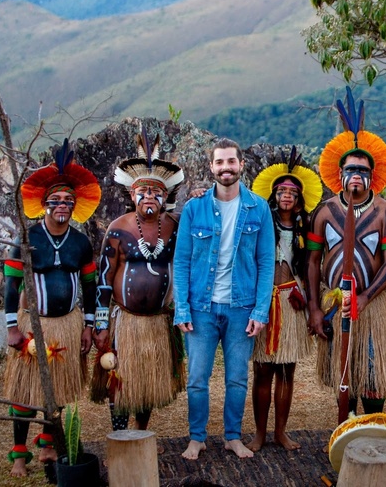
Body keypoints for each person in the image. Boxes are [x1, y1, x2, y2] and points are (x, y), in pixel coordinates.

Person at [2, 139, 100, 477]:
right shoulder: (27, 239)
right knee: (25, 394)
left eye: (68, 200)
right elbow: (11, 284)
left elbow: (89, 287)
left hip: (68, 325)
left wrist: (88, 326)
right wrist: (12, 326)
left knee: (58, 390)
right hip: (34, 326)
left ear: (75, 206)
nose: (63, 205)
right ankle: (18, 456)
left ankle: (46, 445)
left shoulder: (80, 242)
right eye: (56, 200)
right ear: (43, 204)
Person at [173, 137, 275, 460]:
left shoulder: (258, 208)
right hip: (201, 309)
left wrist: (261, 310)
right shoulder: (194, 208)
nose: (226, 168)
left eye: (231, 162)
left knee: (236, 378)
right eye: (220, 162)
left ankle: (233, 436)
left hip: (241, 308)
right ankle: (197, 437)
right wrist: (182, 307)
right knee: (197, 379)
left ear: (241, 165)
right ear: (211, 167)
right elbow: (182, 260)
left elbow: (265, 262)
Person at [307, 87, 386, 417]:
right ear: (341, 174)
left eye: (362, 171)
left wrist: (366, 297)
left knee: (373, 370)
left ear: (371, 175)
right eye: (351, 170)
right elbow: (313, 260)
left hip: (372, 305)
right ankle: (346, 424)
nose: (356, 176)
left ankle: (373, 423)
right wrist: (315, 308)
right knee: (342, 371)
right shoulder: (324, 211)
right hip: (335, 302)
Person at [91, 129, 186, 432]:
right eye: (142, 192)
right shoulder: (118, 229)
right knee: (120, 379)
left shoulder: (176, 226)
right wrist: (102, 324)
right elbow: (104, 279)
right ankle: (120, 435)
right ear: (131, 195)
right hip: (126, 323)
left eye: (156, 192)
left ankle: (141, 434)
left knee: (146, 383)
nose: (149, 197)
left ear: (166, 196)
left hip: (158, 323)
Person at [246, 148, 323, 452]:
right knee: (262, 369)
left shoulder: (305, 226)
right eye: (282, 191)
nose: (287, 196)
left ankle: (281, 432)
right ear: (274, 195)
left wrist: (304, 295)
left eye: (292, 192)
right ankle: (259, 434)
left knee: (286, 370)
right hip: (265, 301)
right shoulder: (262, 222)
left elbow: (311, 264)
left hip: (292, 301)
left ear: (299, 198)